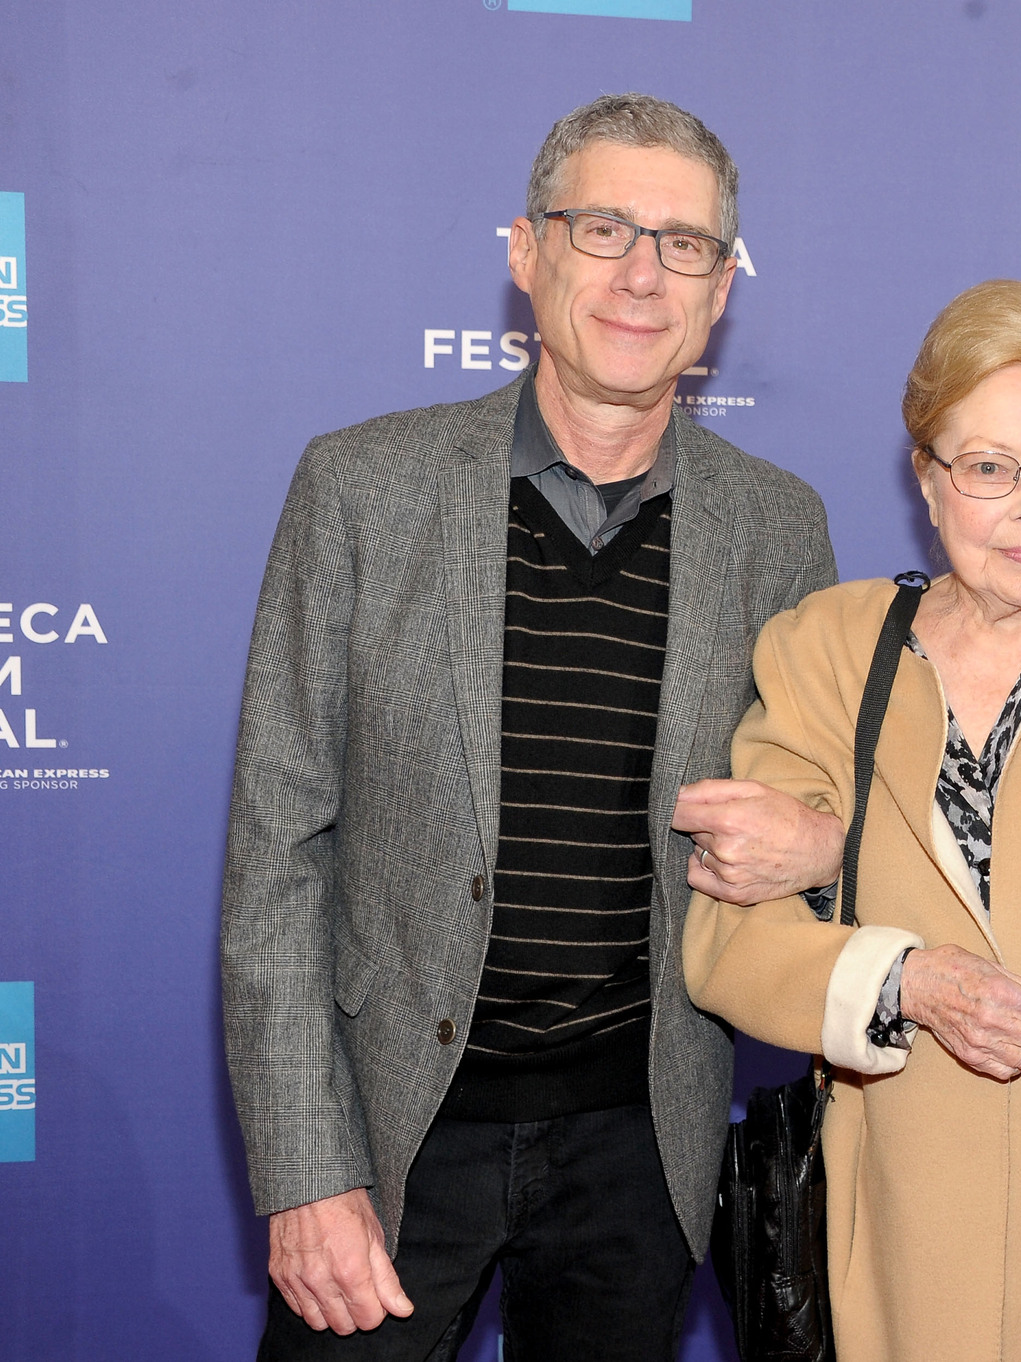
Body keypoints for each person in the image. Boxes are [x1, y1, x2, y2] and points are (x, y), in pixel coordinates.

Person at [220, 94, 840, 1359]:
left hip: (640, 1143)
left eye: (684, 245)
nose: (639, 274)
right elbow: (274, 856)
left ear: (720, 289)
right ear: (525, 251)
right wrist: (301, 1170)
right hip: (388, 1137)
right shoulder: (359, 488)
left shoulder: (779, 527)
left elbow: (819, 816)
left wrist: (823, 847)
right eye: (603, 227)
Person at [681, 279, 1021, 1362]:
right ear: (927, 480)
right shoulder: (829, 646)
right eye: (987, 468)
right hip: (892, 1233)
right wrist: (907, 978)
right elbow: (734, 939)